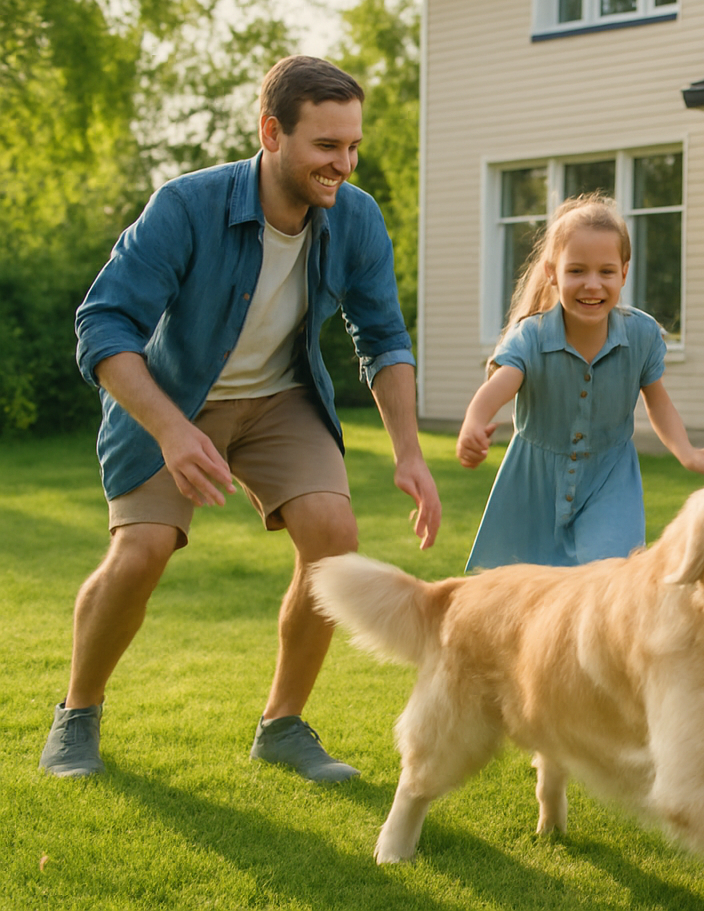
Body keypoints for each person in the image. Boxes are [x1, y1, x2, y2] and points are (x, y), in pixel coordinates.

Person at [40, 56, 442, 783]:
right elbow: (104, 325)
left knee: (335, 543)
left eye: (353, 146)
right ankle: (77, 713)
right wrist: (169, 428)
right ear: (272, 133)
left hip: (282, 398)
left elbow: (382, 336)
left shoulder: (355, 218)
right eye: (327, 146)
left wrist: (409, 452)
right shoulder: (187, 205)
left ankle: (282, 726)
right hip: (175, 398)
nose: (343, 165)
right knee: (142, 551)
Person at [457, 194, 704, 571]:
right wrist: (474, 422)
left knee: (607, 585)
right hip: (532, 486)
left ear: (624, 272)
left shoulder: (642, 334)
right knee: (518, 598)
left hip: (610, 482)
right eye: (577, 271)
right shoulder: (531, 337)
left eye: (605, 271)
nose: (592, 285)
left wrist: (687, 452)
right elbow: (500, 384)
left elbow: (658, 401)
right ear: (552, 272)